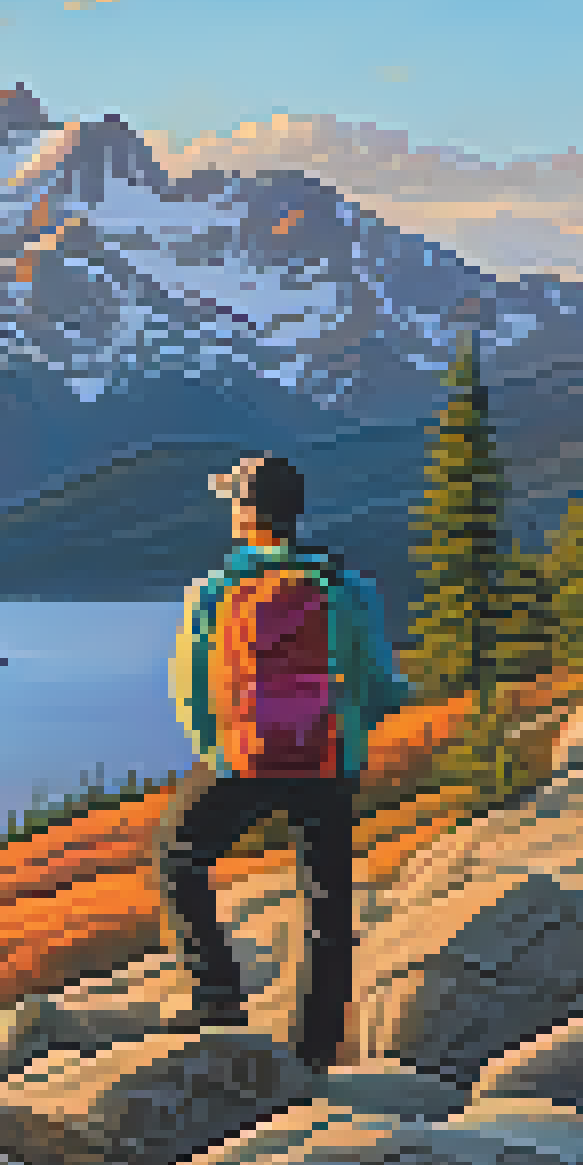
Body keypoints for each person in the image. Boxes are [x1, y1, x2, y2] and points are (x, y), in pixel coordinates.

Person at [161, 454, 411, 1075]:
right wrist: (345, 731)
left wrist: (224, 751)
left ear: (247, 514)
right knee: (326, 899)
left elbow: (191, 694)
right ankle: (315, 1052)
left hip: (244, 758)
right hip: (326, 758)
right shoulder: (347, 587)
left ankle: (217, 995)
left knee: (179, 855)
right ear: (296, 512)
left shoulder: (214, 590)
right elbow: (379, 684)